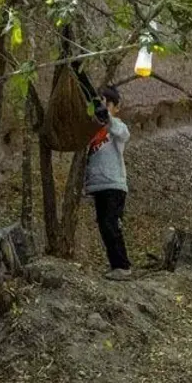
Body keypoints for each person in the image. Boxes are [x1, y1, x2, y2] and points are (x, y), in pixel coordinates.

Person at [84, 85, 132, 280]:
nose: (103, 108)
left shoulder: (116, 128)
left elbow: (123, 133)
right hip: (98, 186)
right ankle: (116, 264)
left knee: (111, 224)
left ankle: (122, 266)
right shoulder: (92, 130)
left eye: (107, 103)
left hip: (114, 185)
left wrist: (107, 117)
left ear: (115, 107)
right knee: (104, 226)